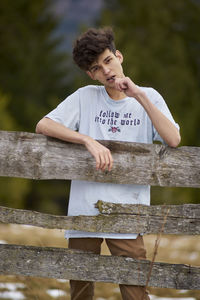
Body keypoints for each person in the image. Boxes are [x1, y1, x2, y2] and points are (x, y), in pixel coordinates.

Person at [36, 27, 181, 300]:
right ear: (91, 74)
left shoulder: (148, 97)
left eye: (107, 61)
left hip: (128, 214)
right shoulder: (84, 97)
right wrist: (87, 140)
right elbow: (43, 125)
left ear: (119, 56)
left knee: (135, 292)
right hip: (84, 213)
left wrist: (138, 95)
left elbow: (173, 139)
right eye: (96, 68)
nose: (106, 70)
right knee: (80, 292)